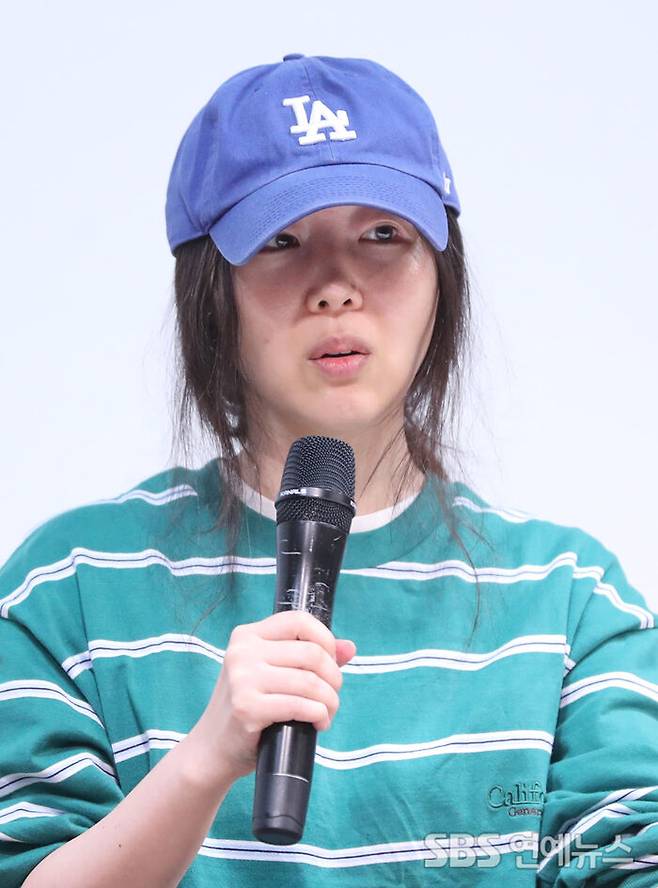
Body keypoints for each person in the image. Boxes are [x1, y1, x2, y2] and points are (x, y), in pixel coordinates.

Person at [0, 53, 656, 888]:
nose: (337, 288)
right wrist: (202, 764)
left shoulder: (571, 601)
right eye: (281, 240)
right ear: (209, 288)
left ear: (442, 273)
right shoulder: (69, 587)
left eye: (383, 235)